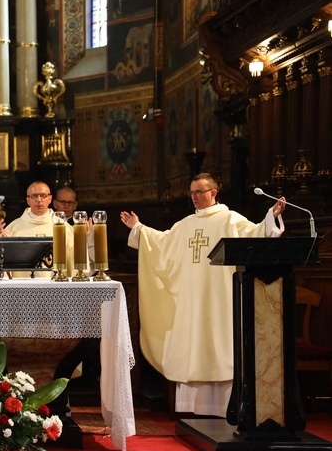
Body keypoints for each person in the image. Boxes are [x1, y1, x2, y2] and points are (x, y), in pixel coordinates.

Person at [119, 172, 286, 417]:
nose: (195, 197)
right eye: (192, 192)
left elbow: (257, 233)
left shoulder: (229, 220)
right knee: (193, 343)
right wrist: (140, 229)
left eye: (200, 192)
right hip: (192, 301)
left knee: (220, 344)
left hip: (220, 298)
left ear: (214, 193)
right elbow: (162, 243)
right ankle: (193, 408)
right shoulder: (185, 225)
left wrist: (270, 217)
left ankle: (225, 408)